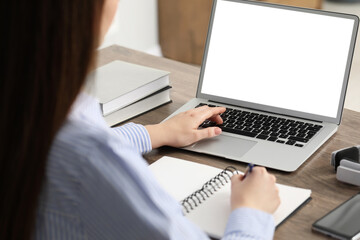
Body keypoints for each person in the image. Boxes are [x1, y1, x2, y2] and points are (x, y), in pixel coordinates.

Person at [0, 0, 280, 239]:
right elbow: (83, 153)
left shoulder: (34, 115)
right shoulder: (91, 159)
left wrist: (155, 133)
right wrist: (251, 210)